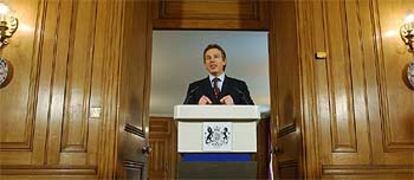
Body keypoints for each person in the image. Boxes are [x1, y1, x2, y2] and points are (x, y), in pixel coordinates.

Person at [183, 44, 254, 105]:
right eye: (208, 58)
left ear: (224, 61)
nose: (212, 60)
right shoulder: (194, 88)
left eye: (216, 57)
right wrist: (197, 108)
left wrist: (234, 107)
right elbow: (183, 113)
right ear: (205, 64)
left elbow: (252, 111)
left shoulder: (239, 87)